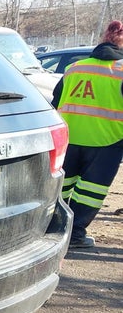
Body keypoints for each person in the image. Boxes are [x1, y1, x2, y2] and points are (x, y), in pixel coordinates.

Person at [52, 19, 123, 248]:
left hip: (69, 136)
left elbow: (55, 102)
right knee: (91, 192)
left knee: (61, 185)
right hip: (106, 140)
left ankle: (51, 227)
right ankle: (74, 235)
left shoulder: (75, 68)